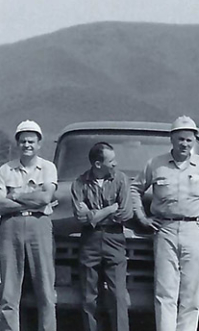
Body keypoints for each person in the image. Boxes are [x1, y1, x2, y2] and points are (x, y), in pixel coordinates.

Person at [131, 116, 199, 331]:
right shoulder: (155, 164)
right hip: (165, 230)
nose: (184, 144)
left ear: (194, 141)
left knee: (191, 294)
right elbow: (135, 189)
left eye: (188, 140)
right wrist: (142, 217)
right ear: (172, 139)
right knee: (165, 292)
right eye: (180, 139)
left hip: (196, 231)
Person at [0, 120, 58, 331]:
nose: (27, 145)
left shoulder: (48, 168)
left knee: (45, 287)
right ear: (17, 144)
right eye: (23, 141)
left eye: (31, 141)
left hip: (40, 225)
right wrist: (32, 197)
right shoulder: (5, 170)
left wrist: (17, 194)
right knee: (9, 289)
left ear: (39, 143)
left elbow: (45, 198)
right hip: (10, 226)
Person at [71, 142, 133, 331]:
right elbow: (81, 217)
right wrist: (110, 208)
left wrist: (95, 214)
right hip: (89, 240)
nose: (116, 163)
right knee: (89, 296)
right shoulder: (79, 183)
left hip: (115, 240)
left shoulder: (121, 180)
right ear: (98, 164)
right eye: (111, 160)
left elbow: (125, 213)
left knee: (118, 296)